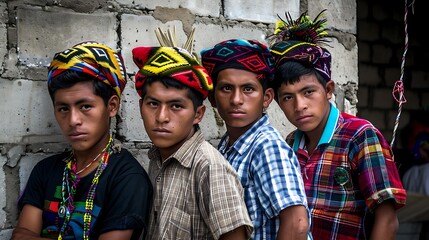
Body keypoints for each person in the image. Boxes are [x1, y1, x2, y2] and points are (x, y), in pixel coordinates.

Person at [268, 10, 407, 239]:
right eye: (287, 97)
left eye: (308, 92)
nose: (299, 105)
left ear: (329, 90)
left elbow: (387, 219)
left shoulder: (360, 136)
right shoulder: (291, 143)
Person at [12, 41, 153, 240]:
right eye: (63, 109)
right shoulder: (45, 170)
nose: (73, 121)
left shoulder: (127, 178)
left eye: (85, 106)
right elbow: (20, 235)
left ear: (112, 106)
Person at [131, 43, 253, 240]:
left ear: (198, 114)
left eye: (176, 106)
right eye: (153, 104)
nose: (161, 117)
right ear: (141, 106)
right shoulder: (158, 158)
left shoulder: (209, 168)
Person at [201, 39, 311, 240]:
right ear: (212, 98)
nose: (236, 99)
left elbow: (297, 224)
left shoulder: (266, 146)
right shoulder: (226, 146)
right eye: (226, 88)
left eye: (248, 89)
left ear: (267, 97)